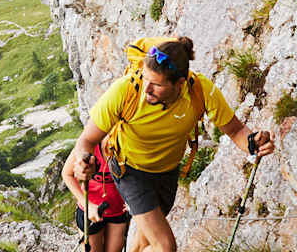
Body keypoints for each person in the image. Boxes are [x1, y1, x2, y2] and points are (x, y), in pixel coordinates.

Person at [69, 37, 275, 252]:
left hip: (166, 173)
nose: (146, 89)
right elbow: (87, 140)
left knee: (145, 240)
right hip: (128, 170)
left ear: (180, 83)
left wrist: (252, 142)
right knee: (165, 246)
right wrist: (83, 159)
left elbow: (235, 130)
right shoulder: (126, 90)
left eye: (156, 84)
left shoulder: (200, 91)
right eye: (145, 78)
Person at [61, 143, 130, 251]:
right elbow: (67, 174)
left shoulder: (128, 144)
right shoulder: (88, 145)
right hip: (90, 212)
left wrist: (133, 201)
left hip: (119, 211)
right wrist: (87, 204)